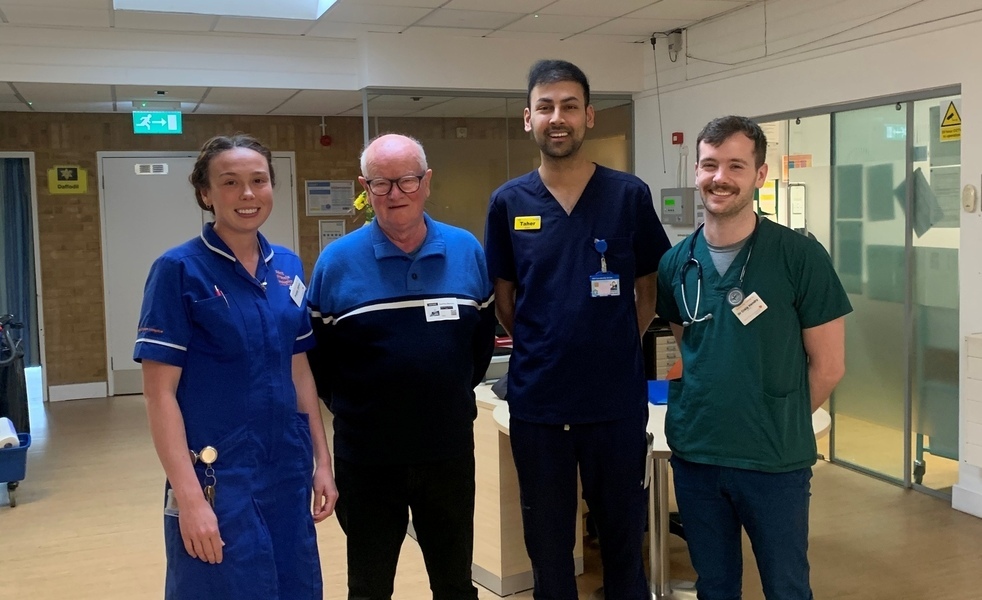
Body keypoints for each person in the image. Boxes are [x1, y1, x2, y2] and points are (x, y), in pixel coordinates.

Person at [484, 59, 672, 599]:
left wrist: (608, 345)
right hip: (540, 403)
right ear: (528, 119)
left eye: (569, 105)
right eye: (545, 107)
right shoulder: (509, 203)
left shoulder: (627, 195)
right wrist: (550, 345)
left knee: (621, 539)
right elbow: (505, 299)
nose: (557, 117)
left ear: (588, 116)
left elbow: (645, 290)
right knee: (547, 548)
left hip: (614, 400)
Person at [656, 116, 852, 600]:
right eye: (709, 164)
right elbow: (681, 348)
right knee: (715, 587)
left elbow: (829, 365)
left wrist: (775, 416)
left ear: (760, 175)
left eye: (735, 165)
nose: (719, 177)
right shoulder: (676, 262)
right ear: (697, 172)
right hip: (697, 456)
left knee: (786, 587)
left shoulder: (798, 256)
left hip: (773, 462)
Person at [134, 134, 336, 599]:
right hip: (216, 475)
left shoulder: (286, 265)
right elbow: (158, 393)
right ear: (205, 194)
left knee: (294, 583)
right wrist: (188, 500)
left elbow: (299, 369)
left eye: (258, 181)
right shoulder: (179, 270)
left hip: (286, 466)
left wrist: (321, 462)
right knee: (221, 584)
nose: (247, 194)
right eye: (230, 182)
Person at [306, 133, 495, 600]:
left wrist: (438, 392)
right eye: (381, 183)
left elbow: (479, 348)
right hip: (366, 458)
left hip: (447, 452)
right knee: (369, 586)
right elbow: (318, 362)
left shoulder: (466, 250)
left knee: (454, 583)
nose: (395, 194)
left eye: (407, 181)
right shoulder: (336, 263)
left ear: (427, 182)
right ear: (364, 188)